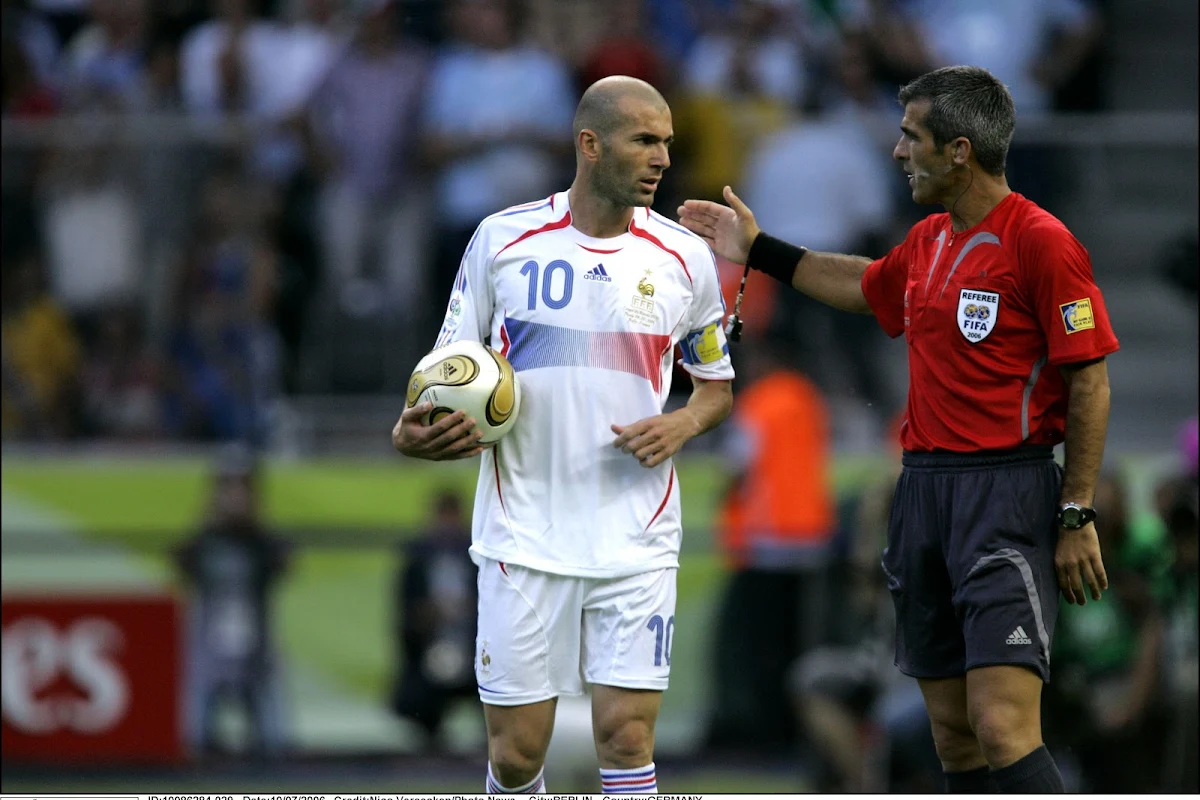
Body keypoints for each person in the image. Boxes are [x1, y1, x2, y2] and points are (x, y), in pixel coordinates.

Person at [679, 65, 1119, 793]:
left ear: (959, 151)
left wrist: (1075, 510)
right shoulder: (927, 242)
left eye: (910, 136)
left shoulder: (1042, 242)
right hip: (923, 496)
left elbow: (1091, 380)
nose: (896, 152)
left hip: (1005, 494)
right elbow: (861, 284)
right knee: (954, 736)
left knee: (1005, 726)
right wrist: (758, 248)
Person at [392, 75, 734, 794]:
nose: (663, 159)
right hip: (525, 534)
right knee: (518, 754)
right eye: (645, 140)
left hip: (636, 534)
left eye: (667, 143)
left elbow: (715, 388)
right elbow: (443, 374)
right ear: (590, 144)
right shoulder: (502, 240)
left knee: (628, 737)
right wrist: (411, 432)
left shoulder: (685, 259)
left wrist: (682, 421)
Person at [176, 444, 290, 758]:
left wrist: (251, 523)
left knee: (276, 740)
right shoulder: (203, 541)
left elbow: (283, 560)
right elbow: (182, 560)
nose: (236, 496)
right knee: (195, 738)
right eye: (229, 487)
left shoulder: (262, 541)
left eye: (242, 487)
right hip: (210, 649)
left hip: (257, 648)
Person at [390, 490, 480, 750]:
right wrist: (428, 617)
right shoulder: (417, 557)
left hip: (472, 648)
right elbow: (405, 613)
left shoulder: (475, 554)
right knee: (417, 691)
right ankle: (432, 742)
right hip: (429, 647)